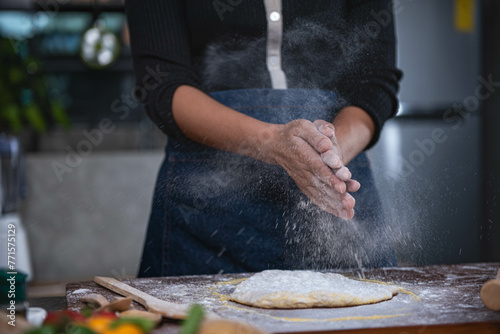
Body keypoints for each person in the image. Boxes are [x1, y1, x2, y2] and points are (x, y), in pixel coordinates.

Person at [125, 0, 402, 277]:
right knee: (197, 321)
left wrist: (329, 152)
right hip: (205, 204)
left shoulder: (330, 156)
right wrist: (271, 141)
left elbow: (375, 83)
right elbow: (161, 84)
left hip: (335, 183)